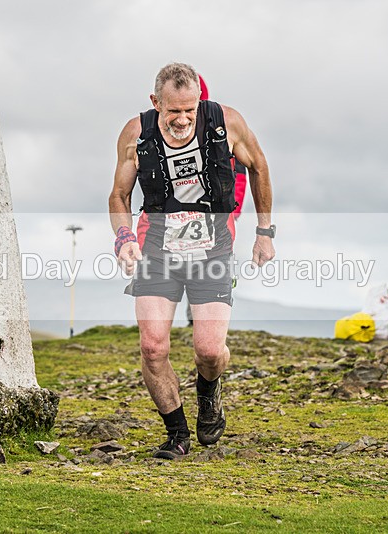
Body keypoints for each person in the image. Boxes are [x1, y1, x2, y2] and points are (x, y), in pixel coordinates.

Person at [108, 63, 275, 459]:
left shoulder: (227, 121)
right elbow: (118, 194)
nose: (183, 119)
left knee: (210, 351)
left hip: (212, 250)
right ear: (156, 103)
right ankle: (177, 434)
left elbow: (259, 167)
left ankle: (209, 393)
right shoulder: (136, 133)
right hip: (157, 249)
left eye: (190, 110)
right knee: (152, 347)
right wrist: (123, 238)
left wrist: (264, 232)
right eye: (173, 112)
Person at [186, 74, 248, 327]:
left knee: (212, 264)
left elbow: (240, 173)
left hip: (219, 217)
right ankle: (193, 315)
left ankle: (210, 316)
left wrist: (234, 210)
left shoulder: (222, 129)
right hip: (184, 217)